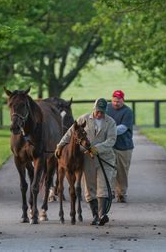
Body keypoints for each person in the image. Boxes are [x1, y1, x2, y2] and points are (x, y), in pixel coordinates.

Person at [55, 98, 117, 226]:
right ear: (94, 109)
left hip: (105, 158)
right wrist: (60, 145)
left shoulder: (110, 122)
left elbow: (111, 140)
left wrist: (97, 149)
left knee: (103, 186)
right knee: (90, 187)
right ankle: (95, 215)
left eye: (102, 112)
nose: (100, 114)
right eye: (98, 111)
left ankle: (101, 215)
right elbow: (69, 133)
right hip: (88, 158)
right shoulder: (84, 118)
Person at [106, 90, 134, 203]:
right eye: (114, 101)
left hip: (124, 146)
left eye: (118, 101)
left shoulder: (127, 111)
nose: (116, 103)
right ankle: (110, 192)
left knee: (122, 171)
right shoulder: (107, 108)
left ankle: (121, 193)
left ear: (123, 100)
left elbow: (122, 128)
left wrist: (108, 131)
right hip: (110, 145)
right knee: (109, 169)